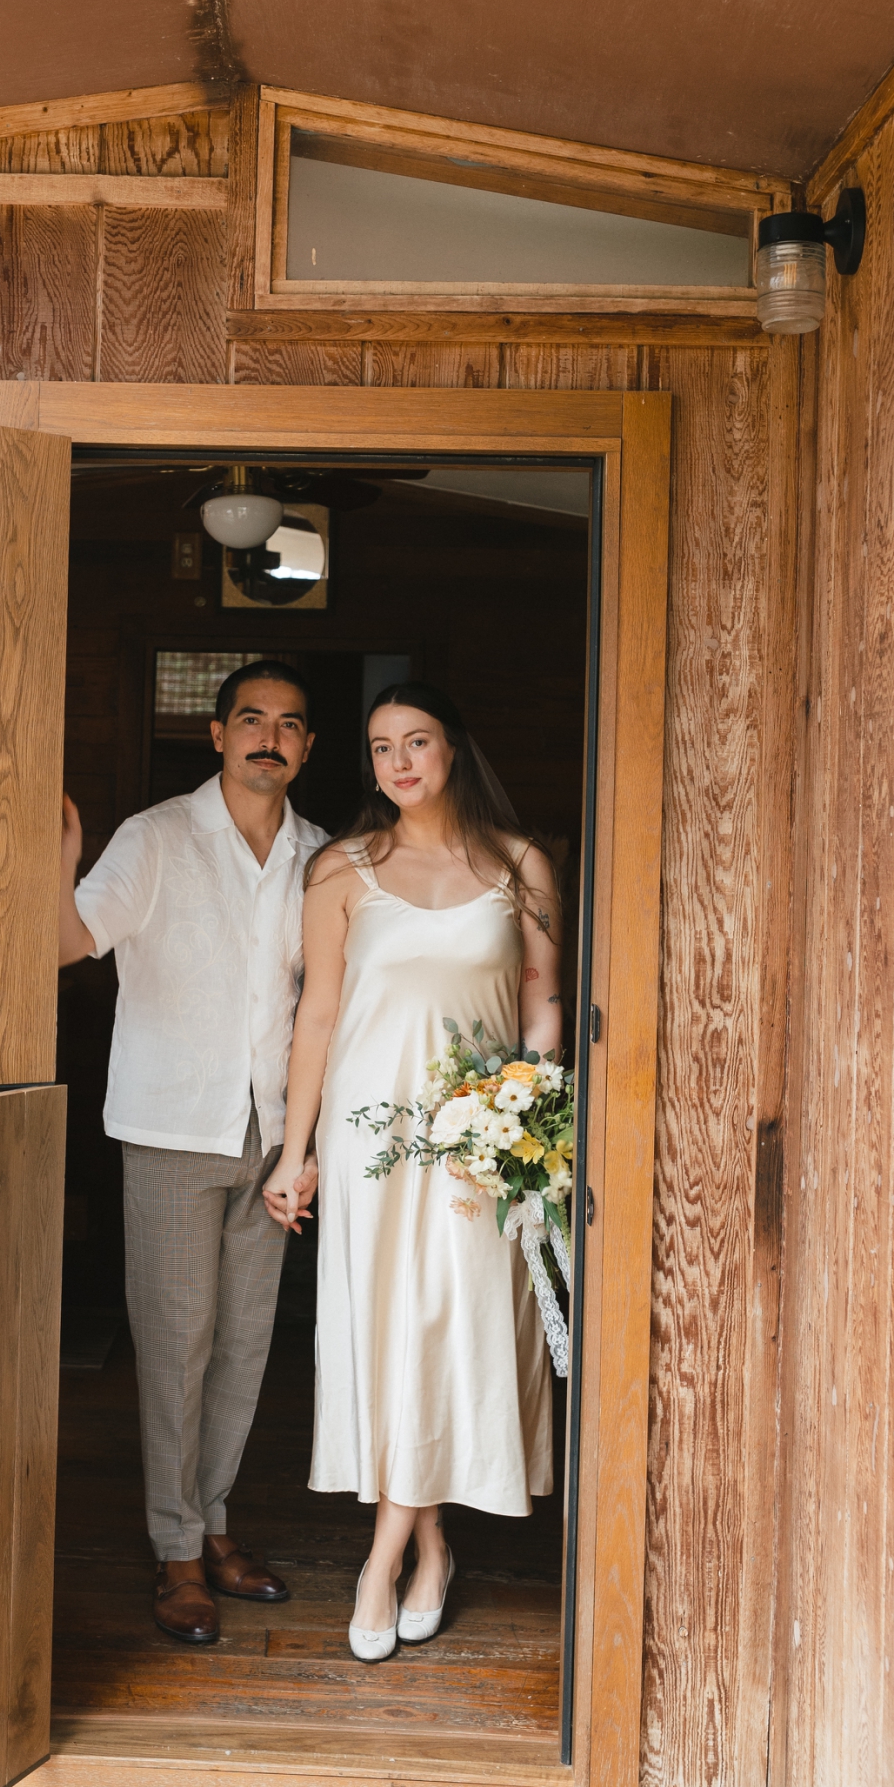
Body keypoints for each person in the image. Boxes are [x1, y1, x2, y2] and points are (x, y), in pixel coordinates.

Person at [259, 682, 558, 1662]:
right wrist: (296, 1150)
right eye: (382, 746)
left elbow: (542, 1001)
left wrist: (533, 1113)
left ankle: (381, 1553)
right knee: (390, 1332)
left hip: (481, 1142)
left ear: (453, 749)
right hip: (369, 1136)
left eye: (418, 740)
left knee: (452, 1325)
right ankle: (428, 1545)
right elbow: (317, 1016)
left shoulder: (521, 866)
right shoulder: (342, 868)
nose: (400, 762)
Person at [59, 661, 327, 1646]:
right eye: (251, 718)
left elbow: (329, 1011)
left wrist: (313, 1148)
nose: (270, 735)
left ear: (307, 747)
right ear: (216, 734)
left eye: (290, 724)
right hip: (173, 1129)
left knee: (247, 1344)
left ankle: (212, 1524)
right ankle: (175, 1551)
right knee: (177, 1347)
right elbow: (70, 936)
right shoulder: (158, 836)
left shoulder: (322, 856)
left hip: (275, 1134)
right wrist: (58, 856)